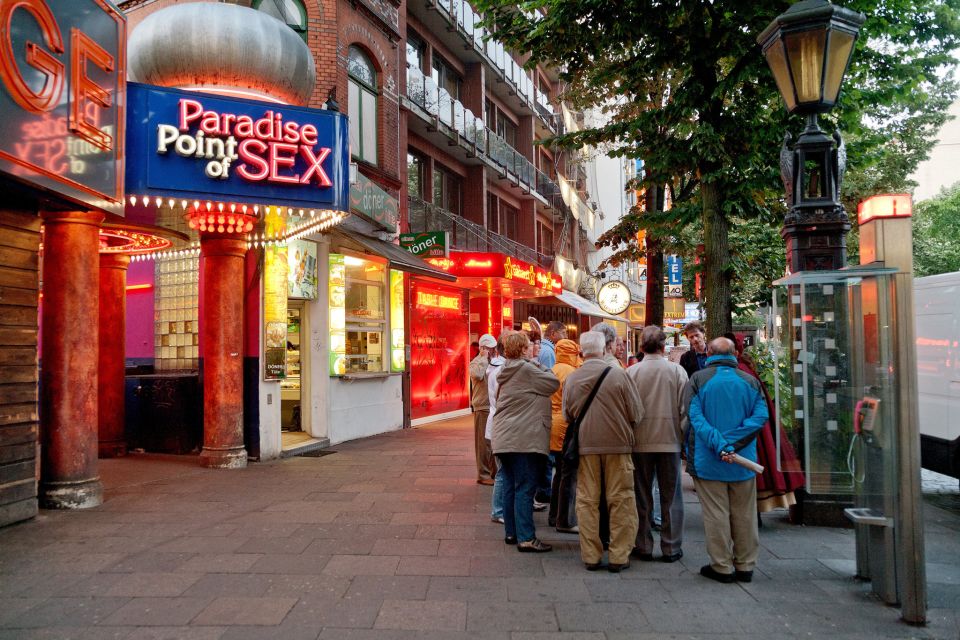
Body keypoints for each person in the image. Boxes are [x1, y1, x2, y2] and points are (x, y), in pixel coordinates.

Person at [683, 337, 768, 583]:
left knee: (715, 514)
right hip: (743, 459)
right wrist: (732, 442)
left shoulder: (698, 379)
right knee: (745, 514)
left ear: (709, 352)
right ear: (734, 353)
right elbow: (760, 416)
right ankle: (745, 564)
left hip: (708, 459)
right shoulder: (750, 381)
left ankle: (721, 565)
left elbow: (694, 416)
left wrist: (720, 443)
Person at [564, 331, 644, 572]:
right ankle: (619, 555)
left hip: (586, 445)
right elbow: (637, 413)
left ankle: (591, 555)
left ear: (582, 351)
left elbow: (568, 415)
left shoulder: (573, 378)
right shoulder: (619, 375)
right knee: (621, 499)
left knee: (587, 501)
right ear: (604, 349)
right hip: (618, 445)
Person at [723, 333, 805, 517]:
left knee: (750, 467)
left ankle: (752, 512)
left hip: (747, 429)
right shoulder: (744, 370)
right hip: (755, 427)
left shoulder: (739, 371)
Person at [491, 331, 559, 552]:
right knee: (525, 487)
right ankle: (527, 537)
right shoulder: (527, 368)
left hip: (503, 437)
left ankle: (512, 532)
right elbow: (553, 383)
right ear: (522, 349)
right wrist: (538, 365)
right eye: (529, 345)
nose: (532, 348)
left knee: (510, 485)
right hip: (523, 438)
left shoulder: (506, 369)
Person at [626, 325, 689, 563]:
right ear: (664, 347)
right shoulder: (677, 371)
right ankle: (671, 547)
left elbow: (627, 410)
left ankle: (642, 544)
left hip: (640, 442)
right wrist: (680, 436)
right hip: (669, 440)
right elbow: (685, 409)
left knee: (641, 494)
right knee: (671, 496)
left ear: (641, 347)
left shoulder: (632, 372)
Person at [548, 338, 581, 533]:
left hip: (551, 424)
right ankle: (564, 517)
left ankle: (554, 514)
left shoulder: (552, 369)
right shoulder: (571, 372)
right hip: (565, 426)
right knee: (567, 474)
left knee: (559, 473)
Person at [469, 334, 497, 485]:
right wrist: (483, 358)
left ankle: (493, 471)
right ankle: (483, 474)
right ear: (482, 348)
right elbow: (478, 374)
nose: (491, 351)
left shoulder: (494, 362)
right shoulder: (476, 363)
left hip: (492, 406)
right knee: (482, 443)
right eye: (488, 348)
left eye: (492, 348)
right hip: (482, 406)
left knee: (492, 442)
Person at [485, 336, 507, 523]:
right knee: (503, 471)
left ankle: (499, 510)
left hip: (498, 424)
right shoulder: (501, 371)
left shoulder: (496, 369)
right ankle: (498, 511)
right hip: (502, 425)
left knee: (503, 470)